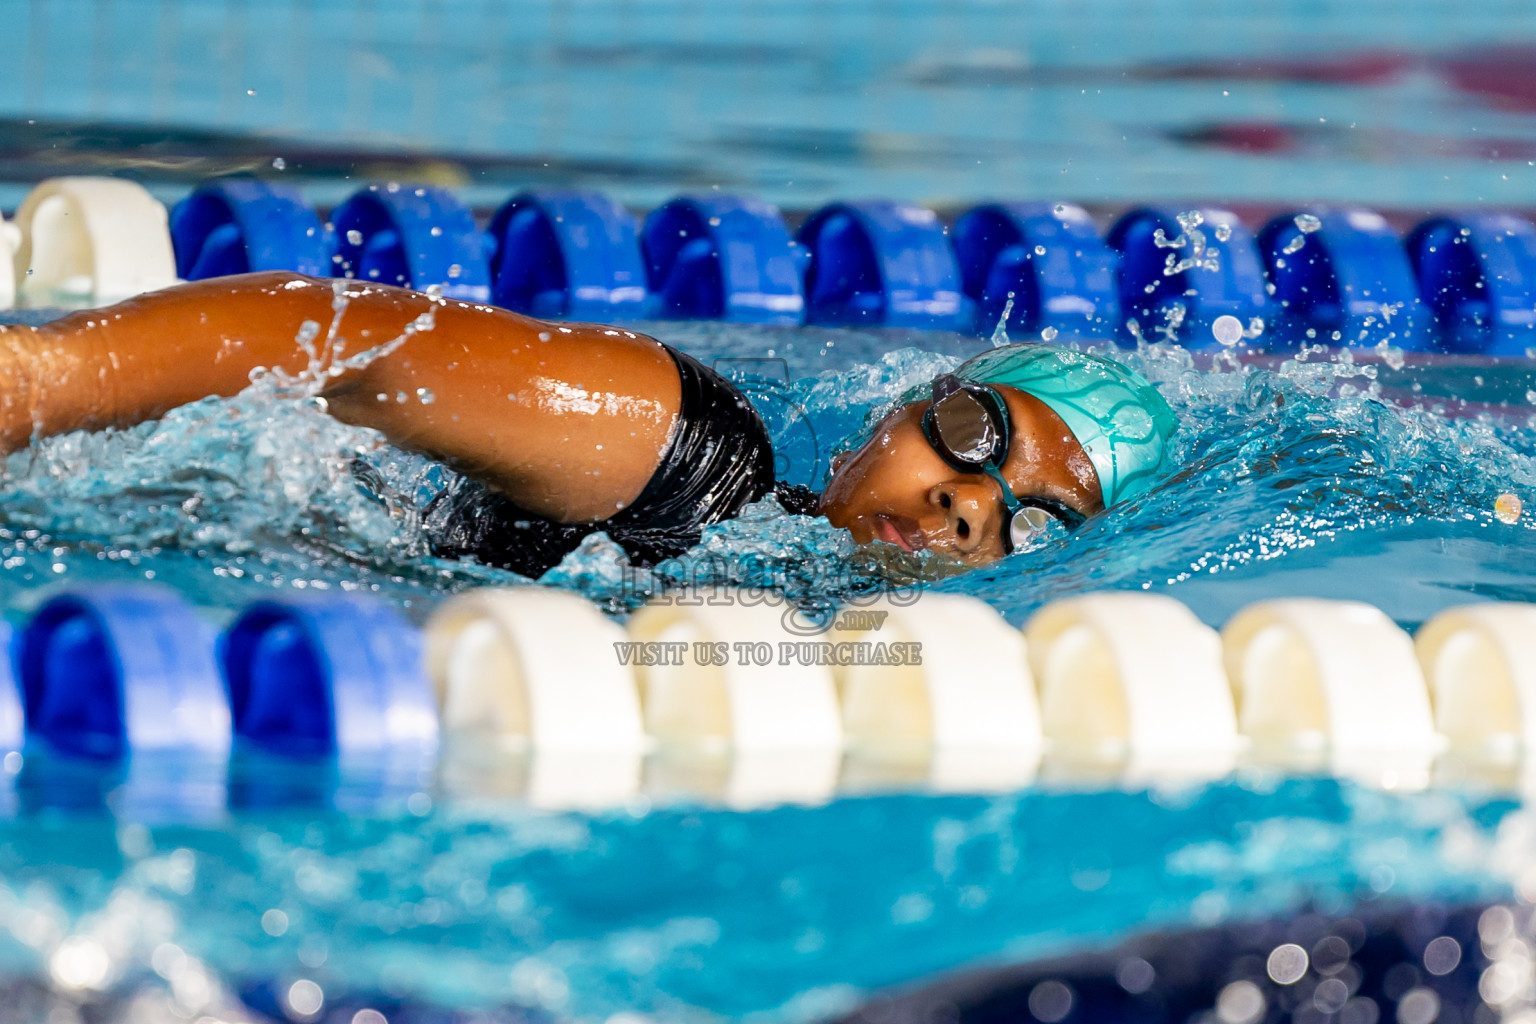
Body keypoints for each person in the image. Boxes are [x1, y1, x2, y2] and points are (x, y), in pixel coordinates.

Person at [0, 272, 1176, 575]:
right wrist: (38, 386)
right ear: (892, 412)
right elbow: (338, 340)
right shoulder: (688, 461)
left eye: (1041, 519)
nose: (975, 498)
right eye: (976, 433)